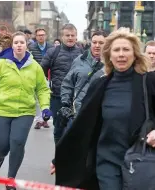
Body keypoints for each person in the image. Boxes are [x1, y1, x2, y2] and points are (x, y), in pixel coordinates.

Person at [54, 28, 155, 190]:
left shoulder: (148, 82)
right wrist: (61, 159)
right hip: (106, 161)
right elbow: (82, 125)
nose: (121, 54)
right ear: (109, 55)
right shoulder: (100, 85)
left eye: (126, 49)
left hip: (140, 160)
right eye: (116, 50)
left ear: (135, 54)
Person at [0, 31, 51, 190]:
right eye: (16, 42)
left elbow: (42, 89)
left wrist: (45, 107)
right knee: (1, 145)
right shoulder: (1, 64)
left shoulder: (34, 67)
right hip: (2, 111)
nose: (19, 45)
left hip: (24, 112)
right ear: (12, 45)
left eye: (22, 42)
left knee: (17, 143)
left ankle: (11, 178)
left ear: (27, 45)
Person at [41, 23, 82, 144]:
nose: (70, 38)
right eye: (67, 35)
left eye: (72, 35)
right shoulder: (52, 52)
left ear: (76, 37)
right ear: (62, 37)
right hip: (57, 97)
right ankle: (58, 159)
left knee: (75, 129)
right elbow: (42, 70)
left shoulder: (82, 53)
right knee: (58, 129)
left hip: (76, 98)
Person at [59, 30, 107, 132]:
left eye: (101, 43)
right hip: (78, 113)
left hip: (101, 115)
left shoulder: (112, 63)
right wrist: (66, 103)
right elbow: (68, 83)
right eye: (94, 42)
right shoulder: (79, 60)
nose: (97, 45)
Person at [28, 28, 53, 129]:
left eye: (43, 35)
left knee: (46, 98)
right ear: (36, 36)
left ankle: (45, 119)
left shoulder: (51, 47)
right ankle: (39, 120)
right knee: (37, 100)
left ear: (45, 36)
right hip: (35, 77)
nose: (41, 37)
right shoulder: (32, 47)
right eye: (39, 35)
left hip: (48, 76)